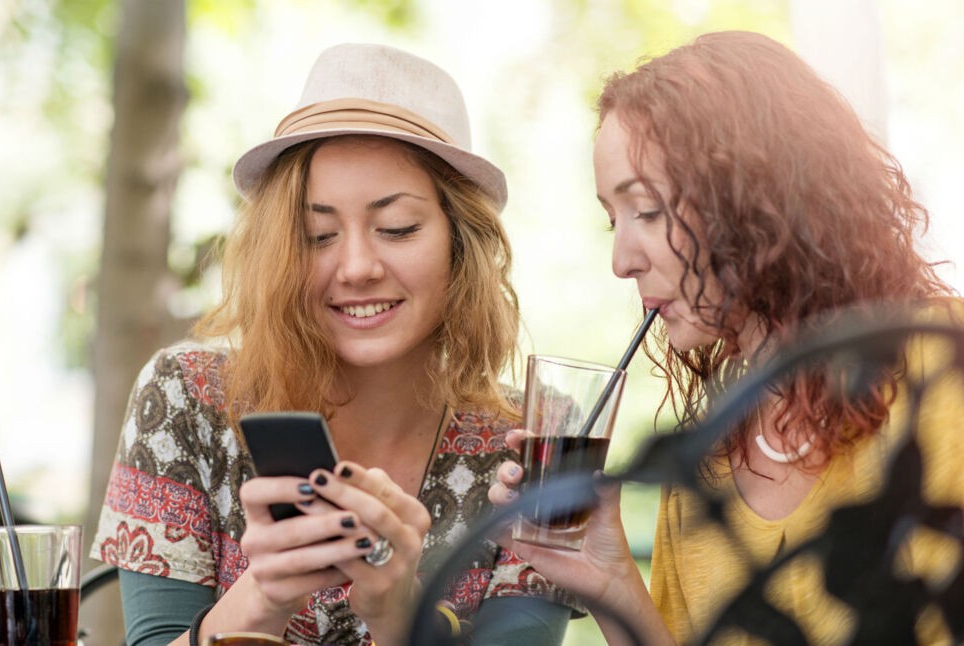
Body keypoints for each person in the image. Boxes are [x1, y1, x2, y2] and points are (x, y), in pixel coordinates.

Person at [488, 30, 964, 645]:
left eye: (647, 210)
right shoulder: (706, 457)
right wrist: (608, 581)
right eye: (613, 219)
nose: (621, 261)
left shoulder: (941, 364)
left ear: (757, 194)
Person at [91, 43, 576, 646]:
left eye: (396, 228)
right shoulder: (184, 399)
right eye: (317, 235)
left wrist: (399, 615)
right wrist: (261, 597)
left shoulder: (537, 440)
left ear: (462, 242)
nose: (356, 268)